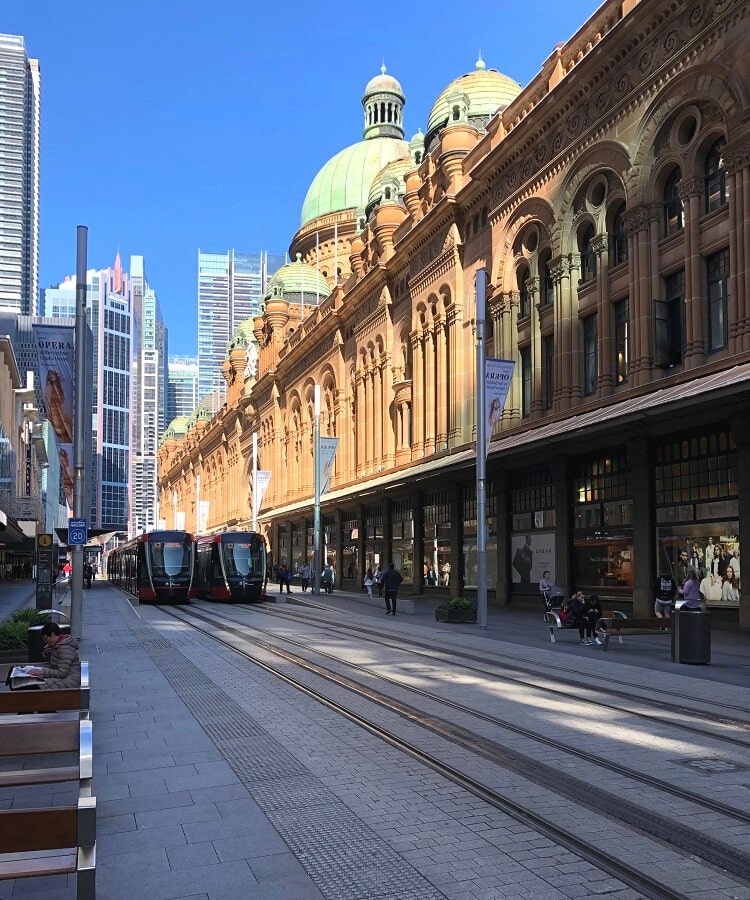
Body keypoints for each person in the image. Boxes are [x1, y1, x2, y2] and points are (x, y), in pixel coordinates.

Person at [26, 622, 80, 690]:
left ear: (52, 635)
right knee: (33, 683)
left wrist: (42, 672)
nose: (45, 641)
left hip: (70, 680)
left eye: (46, 638)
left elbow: (62, 673)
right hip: (63, 677)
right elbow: (46, 656)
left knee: (36, 687)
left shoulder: (65, 648)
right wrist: (48, 650)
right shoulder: (57, 645)